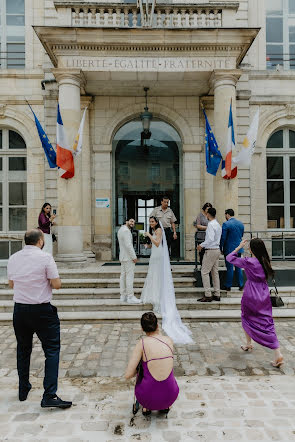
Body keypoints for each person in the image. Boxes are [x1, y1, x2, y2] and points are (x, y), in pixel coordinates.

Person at [7, 229, 72, 408]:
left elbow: (11, 283)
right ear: (41, 241)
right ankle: (49, 395)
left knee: (23, 349)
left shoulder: (13, 258)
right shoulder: (45, 258)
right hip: (42, 310)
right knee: (51, 350)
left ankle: (23, 389)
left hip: (19, 310)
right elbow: (56, 284)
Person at [226, 238, 284, 368]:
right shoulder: (265, 260)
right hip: (263, 293)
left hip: (251, 293)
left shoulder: (249, 261)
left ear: (251, 249)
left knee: (246, 317)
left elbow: (229, 258)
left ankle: (250, 343)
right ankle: (276, 352)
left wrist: (238, 246)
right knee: (267, 321)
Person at [141, 216, 193, 344]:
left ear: (157, 222)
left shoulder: (158, 230)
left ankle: (158, 300)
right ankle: (154, 297)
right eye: (150, 222)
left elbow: (158, 243)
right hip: (155, 255)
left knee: (157, 277)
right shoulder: (155, 230)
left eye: (152, 222)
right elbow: (154, 244)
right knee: (153, 276)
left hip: (158, 257)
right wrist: (147, 245)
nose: (151, 223)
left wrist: (148, 235)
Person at [125, 312, 179, 416]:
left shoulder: (142, 343)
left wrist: (140, 367)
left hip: (147, 397)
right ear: (157, 325)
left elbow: (128, 375)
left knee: (144, 371)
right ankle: (165, 405)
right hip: (170, 395)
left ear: (142, 328)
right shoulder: (168, 340)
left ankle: (147, 407)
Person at [197, 207, 222, 303]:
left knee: (204, 271)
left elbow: (210, 239)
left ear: (208, 214)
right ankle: (217, 293)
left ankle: (208, 295)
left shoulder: (211, 225)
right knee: (215, 272)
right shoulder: (218, 224)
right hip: (216, 249)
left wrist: (201, 245)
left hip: (211, 250)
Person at [220, 209, 245, 291]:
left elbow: (223, 238)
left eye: (225, 215)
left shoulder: (226, 224)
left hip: (229, 249)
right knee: (238, 267)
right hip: (239, 248)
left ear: (227, 215)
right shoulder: (240, 223)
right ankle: (241, 285)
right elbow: (241, 235)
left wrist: (221, 247)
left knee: (230, 268)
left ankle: (228, 285)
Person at [117, 218, 141, 304]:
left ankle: (123, 296)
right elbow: (128, 245)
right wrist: (134, 257)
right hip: (128, 258)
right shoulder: (126, 231)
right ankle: (130, 296)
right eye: (131, 221)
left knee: (123, 276)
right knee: (129, 277)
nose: (132, 223)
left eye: (134, 222)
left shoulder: (120, 229)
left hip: (123, 257)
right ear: (126, 221)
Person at [194, 202, 212, 267]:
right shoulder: (200, 215)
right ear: (204, 209)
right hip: (201, 236)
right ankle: (202, 266)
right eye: (207, 209)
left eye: (209, 209)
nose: (208, 210)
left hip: (209, 237)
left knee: (209, 253)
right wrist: (206, 228)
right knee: (202, 253)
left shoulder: (210, 215)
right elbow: (197, 225)